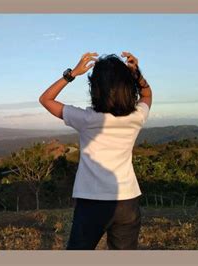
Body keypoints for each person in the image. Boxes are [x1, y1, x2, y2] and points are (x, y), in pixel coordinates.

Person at [38, 51, 152, 250]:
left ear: (96, 89)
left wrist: (72, 73)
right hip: (127, 201)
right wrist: (137, 74)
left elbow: (46, 99)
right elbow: (147, 94)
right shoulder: (136, 117)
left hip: (91, 202)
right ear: (127, 86)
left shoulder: (86, 119)